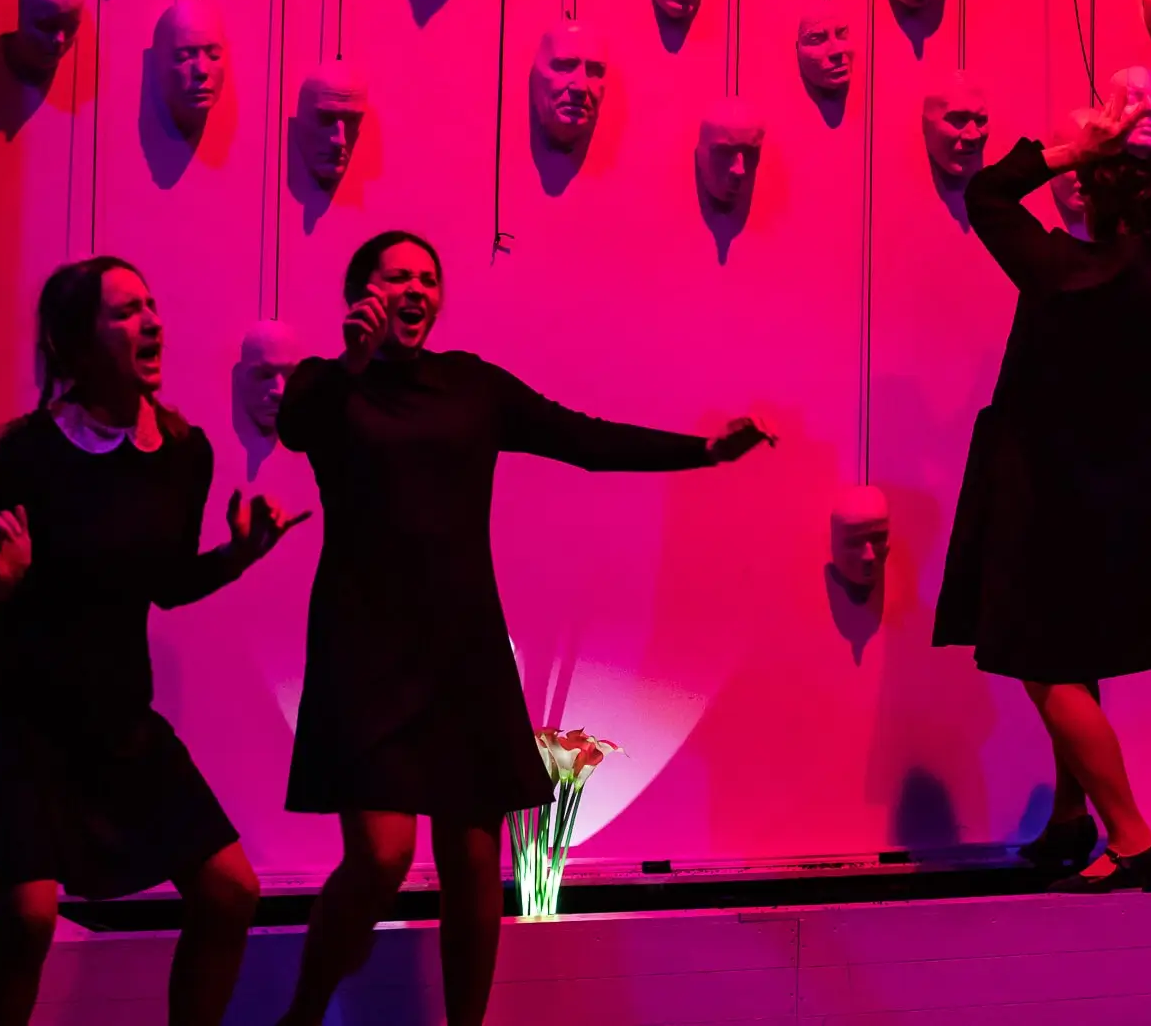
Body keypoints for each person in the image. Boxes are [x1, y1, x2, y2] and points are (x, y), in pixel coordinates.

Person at [270, 230, 774, 1026]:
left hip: (460, 645)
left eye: (429, 278)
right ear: (361, 292)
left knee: (474, 862)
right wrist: (352, 362)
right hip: (363, 644)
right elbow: (295, 427)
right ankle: (302, 1013)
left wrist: (703, 451)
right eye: (397, 276)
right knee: (380, 856)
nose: (416, 289)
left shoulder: (470, 384)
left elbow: (581, 438)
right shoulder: (329, 385)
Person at [933, 67, 1151, 894]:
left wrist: (1072, 148)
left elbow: (986, 193)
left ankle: (1131, 834)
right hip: (1137, 504)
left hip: (1050, 499)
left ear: (1090, 193)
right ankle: (1069, 817)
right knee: (1073, 652)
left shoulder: (1060, 268)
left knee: (1043, 661)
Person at [0, 257, 308, 1026]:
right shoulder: (28, 454)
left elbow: (166, 582)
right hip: (17, 717)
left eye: (151, 305)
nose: (151, 321)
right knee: (30, 915)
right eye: (125, 311)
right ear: (78, 342)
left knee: (231, 889)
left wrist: (238, 556)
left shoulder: (183, 453)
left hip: (116, 718)